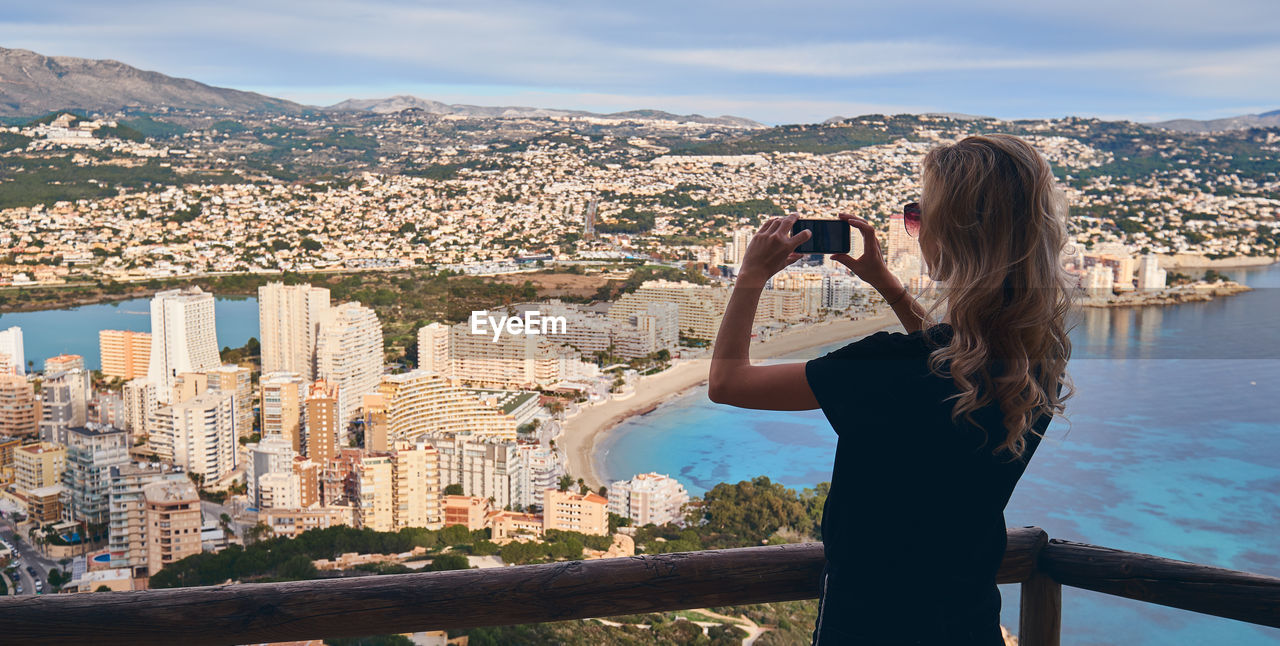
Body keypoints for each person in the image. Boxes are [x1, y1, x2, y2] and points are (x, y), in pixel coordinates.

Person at [708, 134, 1074, 645]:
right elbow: (950, 357)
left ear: (951, 235)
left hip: (868, 623)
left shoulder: (887, 368)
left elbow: (728, 382)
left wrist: (750, 276)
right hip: (968, 623)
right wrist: (888, 284)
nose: (914, 228)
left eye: (918, 215)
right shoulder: (1035, 364)